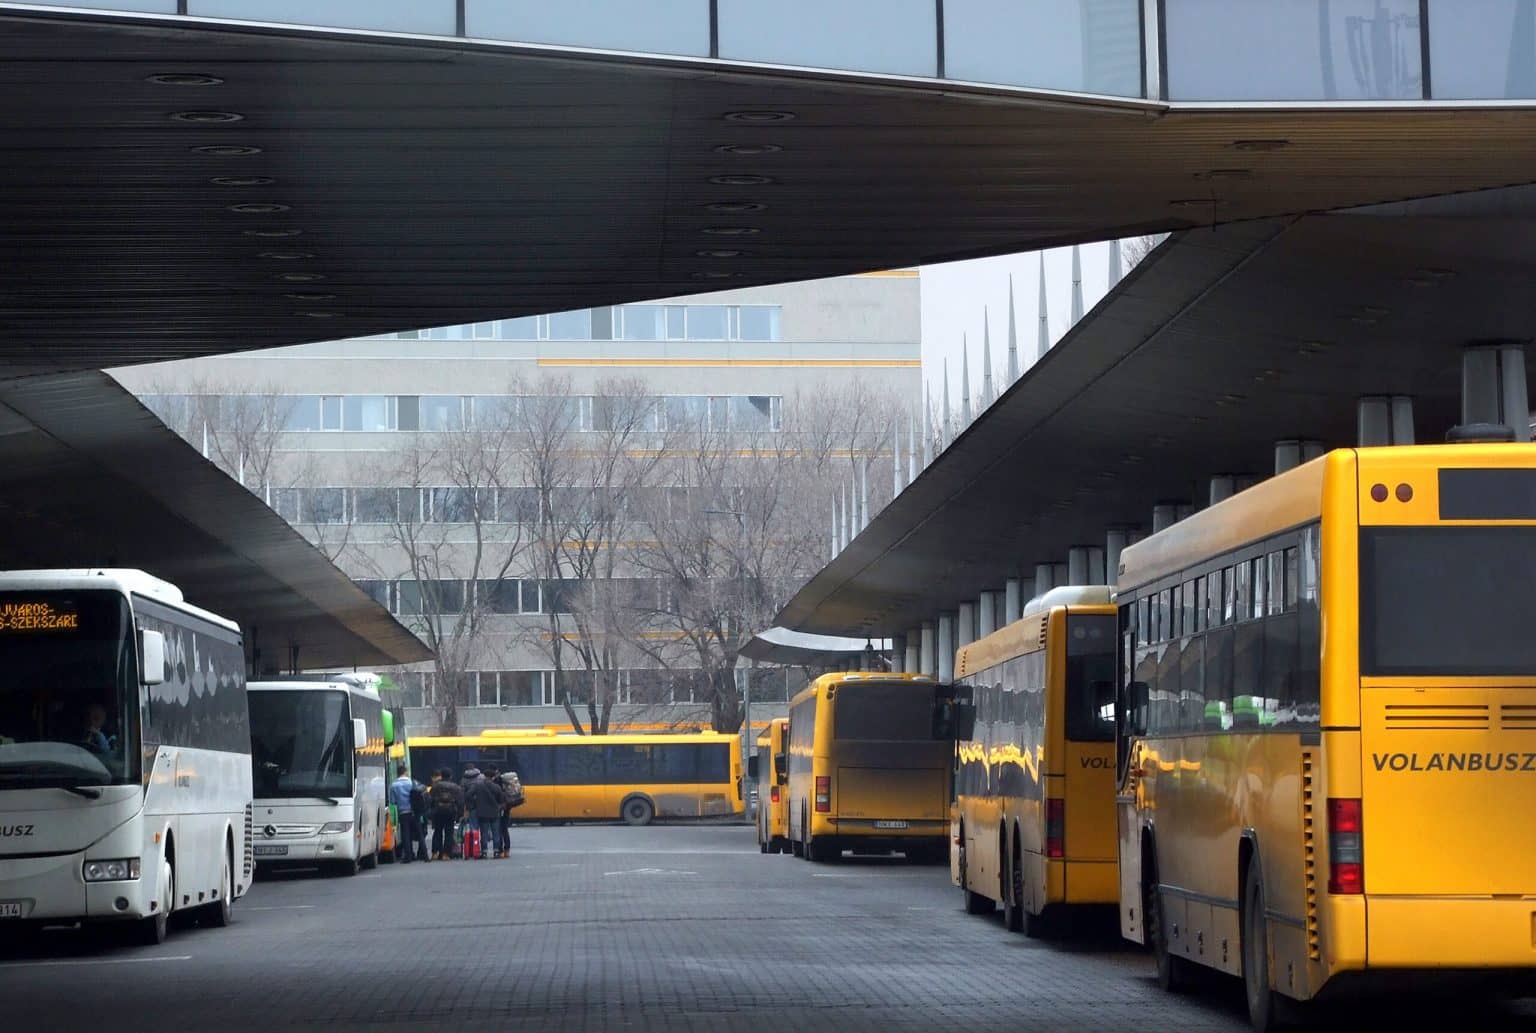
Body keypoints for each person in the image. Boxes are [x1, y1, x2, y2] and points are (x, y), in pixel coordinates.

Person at [463, 766, 506, 860]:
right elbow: (502, 800)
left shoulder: (478, 786)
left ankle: (484, 852)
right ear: (493, 777)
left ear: (484, 776)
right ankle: (496, 852)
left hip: (482, 813)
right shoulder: (497, 787)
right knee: (496, 833)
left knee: (484, 833)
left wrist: (475, 802)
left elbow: (468, 795)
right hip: (495, 813)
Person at [389, 764, 429, 863]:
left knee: (405, 835)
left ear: (397, 773)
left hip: (403, 813)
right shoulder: (412, 783)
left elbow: (393, 801)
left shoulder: (393, 786)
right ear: (405, 772)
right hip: (414, 812)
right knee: (420, 833)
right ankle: (425, 856)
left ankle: (408, 856)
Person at [427, 767, 463, 861]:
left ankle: (435, 853)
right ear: (451, 776)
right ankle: (446, 854)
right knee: (449, 833)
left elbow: (430, 800)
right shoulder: (456, 787)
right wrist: (459, 814)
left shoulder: (435, 786)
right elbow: (460, 802)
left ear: (441, 776)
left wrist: (431, 812)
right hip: (450, 812)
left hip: (437, 811)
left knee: (437, 832)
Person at [490, 766, 515, 858]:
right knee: (504, 829)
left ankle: (500, 850)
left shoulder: (495, 782)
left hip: (499, 808)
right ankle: (507, 850)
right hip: (506, 808)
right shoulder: (505, 780)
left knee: (498, 830)